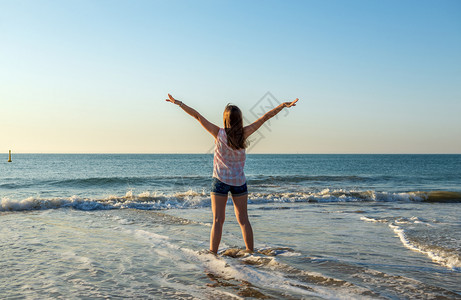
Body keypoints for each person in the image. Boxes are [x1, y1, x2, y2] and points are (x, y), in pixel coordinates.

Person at [165, 94, 298, 254]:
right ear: (239, 119)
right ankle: (250, 252)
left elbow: (197, 116)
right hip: (239, 182)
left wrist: (178, 103)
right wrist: (283, 105)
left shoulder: (218, 133)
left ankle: (213, 255)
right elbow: (265, 118)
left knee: (217, 220)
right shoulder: (244, 133)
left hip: (220, 180)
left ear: (225, 119)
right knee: (243, 220)